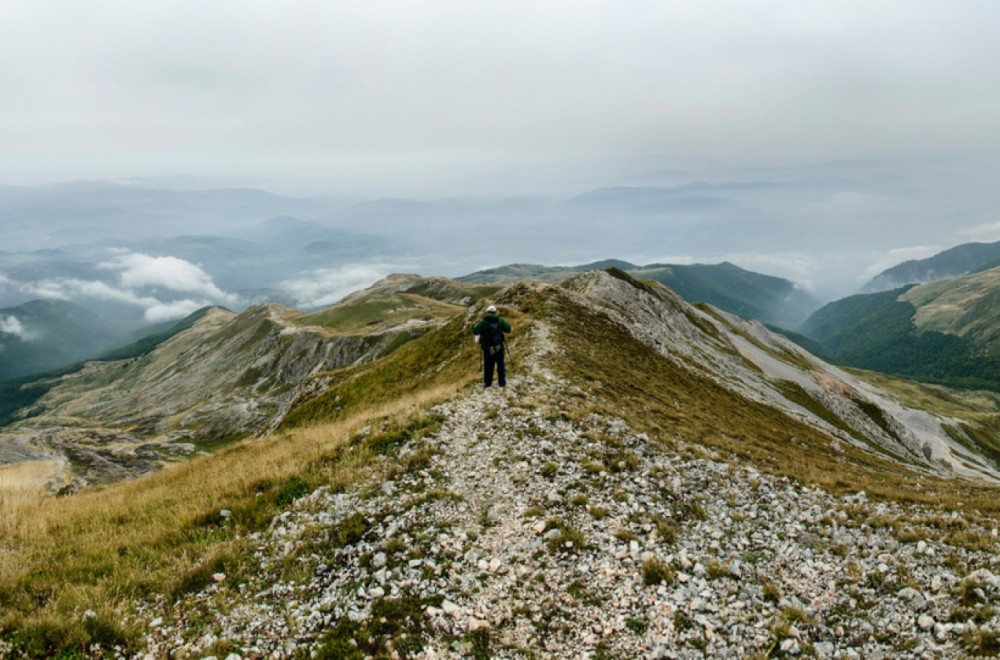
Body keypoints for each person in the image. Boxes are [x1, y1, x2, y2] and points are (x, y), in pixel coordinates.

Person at [473, 304, 511, 388]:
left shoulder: (483, 322)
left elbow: (475, 331)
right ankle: (502, 383)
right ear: (495, 312)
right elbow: (508, 329)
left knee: (488, 366)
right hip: (499, 347)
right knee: (500, 364)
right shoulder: (500, 320)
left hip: (487, 348)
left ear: (487, 312)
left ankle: (488, 384)